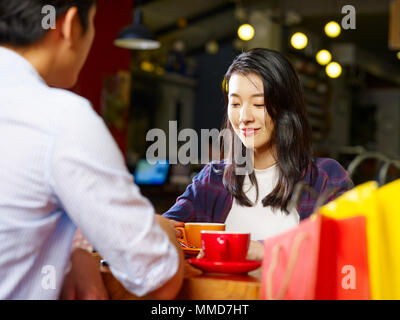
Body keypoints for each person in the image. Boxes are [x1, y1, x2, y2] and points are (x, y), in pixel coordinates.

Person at [0, 0, 184, 299]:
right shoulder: (61, 120)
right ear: (70, 25)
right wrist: (163, 226)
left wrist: (74, 250)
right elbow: (158, 277)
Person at [163, 48, 354, 260]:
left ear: (286, 108)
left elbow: (345, 252)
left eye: (258, 104)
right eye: (235, 103)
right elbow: (169, 226)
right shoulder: (212, 178)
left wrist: (263, 251)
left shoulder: (325, 178)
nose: (244, 117)